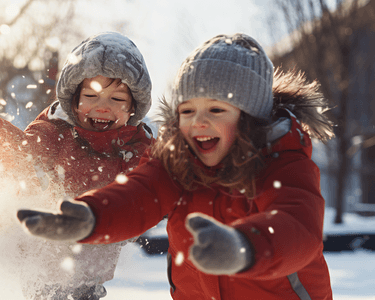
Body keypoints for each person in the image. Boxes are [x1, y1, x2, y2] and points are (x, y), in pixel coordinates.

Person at [17, 33, 335, 300]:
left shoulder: (282, 162)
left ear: (249, 117)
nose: (199, 122)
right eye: (187, 111)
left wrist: (245, 247)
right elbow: (139, 195)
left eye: (215, 109)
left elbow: (298, 225)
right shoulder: (176, 160)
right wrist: (92, 216)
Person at [0, 31, 154, 300]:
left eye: (117, 99)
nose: (103, 108)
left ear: (133, 108)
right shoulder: (56, 131)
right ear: (73, 99)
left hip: (90, 272)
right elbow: (22, 155)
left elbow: (152, 191)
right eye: (91, 96)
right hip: (43, 266)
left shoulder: (136, 147)